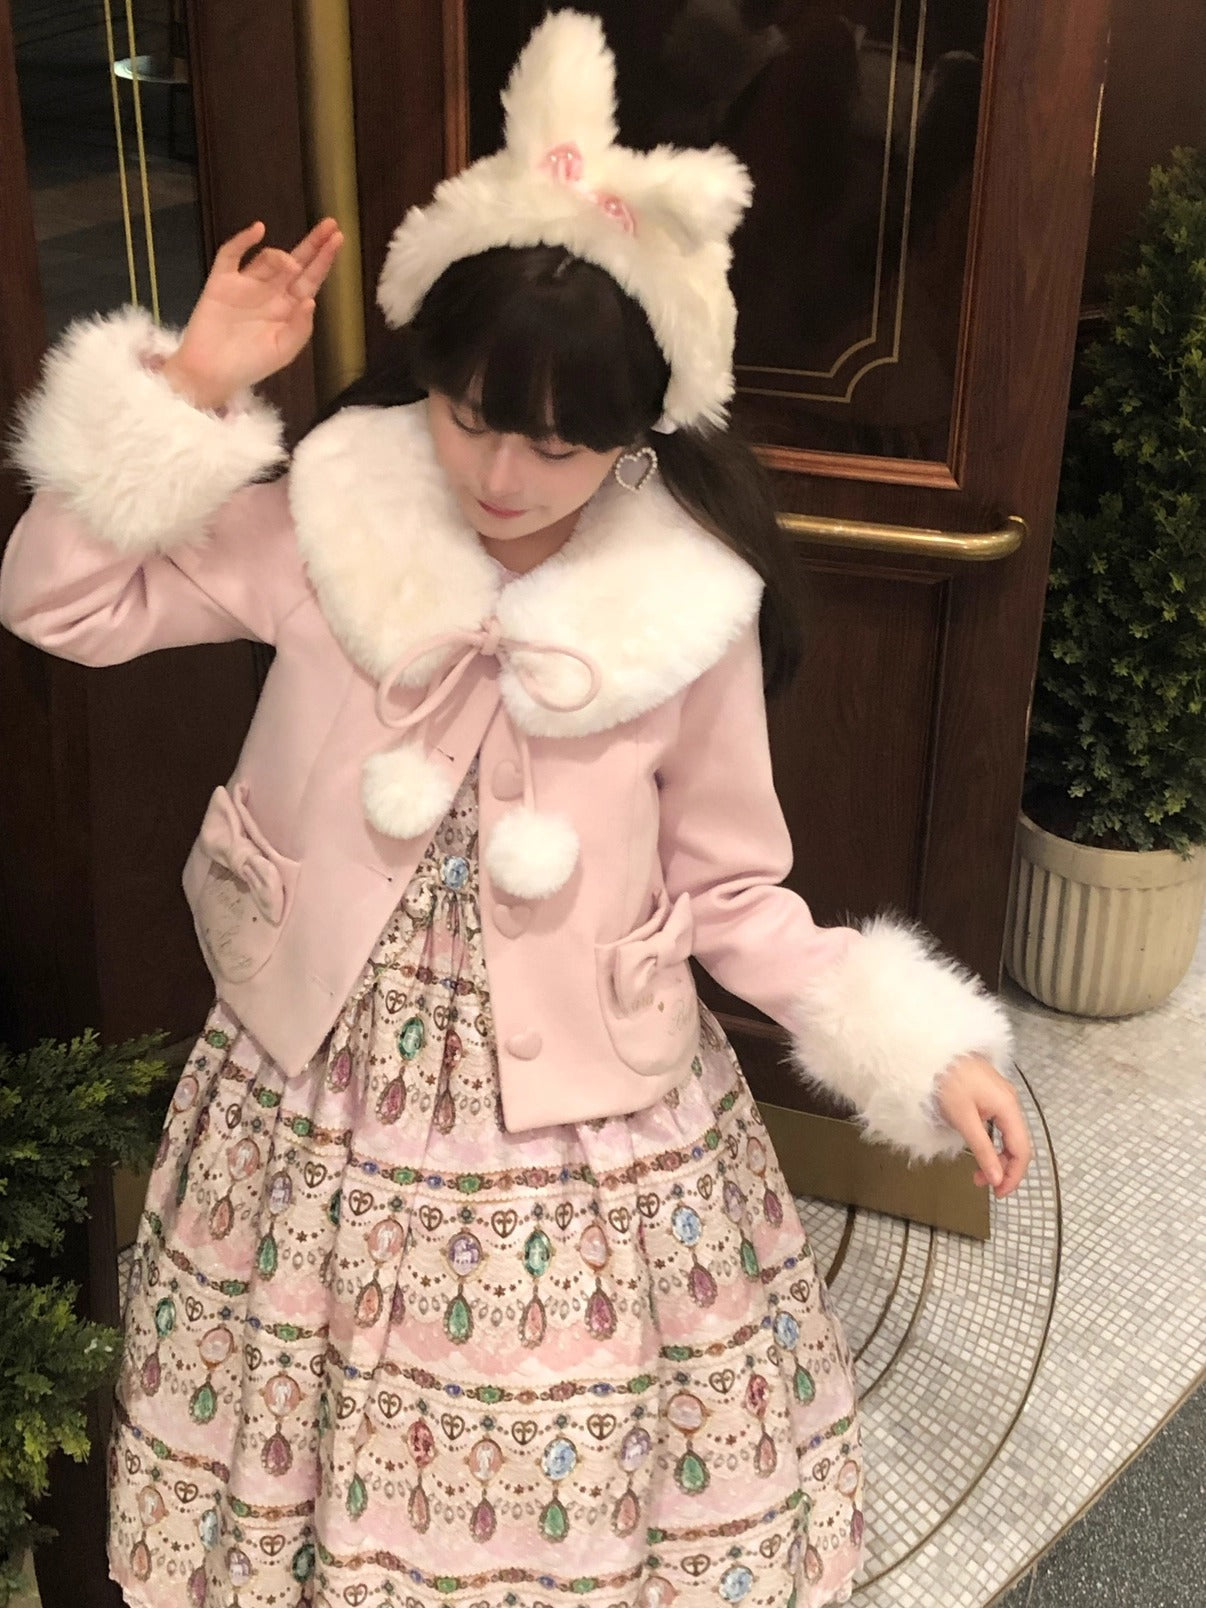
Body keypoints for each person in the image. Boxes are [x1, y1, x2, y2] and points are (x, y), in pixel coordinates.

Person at [0, 13, 1032, 1608]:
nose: (498, 476)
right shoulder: (331, 523)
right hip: (320, 1079)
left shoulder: (685, 610)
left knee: (562, 1462)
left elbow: (732, 893)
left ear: (636, 434)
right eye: (470, 416)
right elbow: (59, 602)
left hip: (587, 1110)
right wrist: (190, 389)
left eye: (557, 443)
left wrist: (918, 1045)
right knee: (309, 1423)